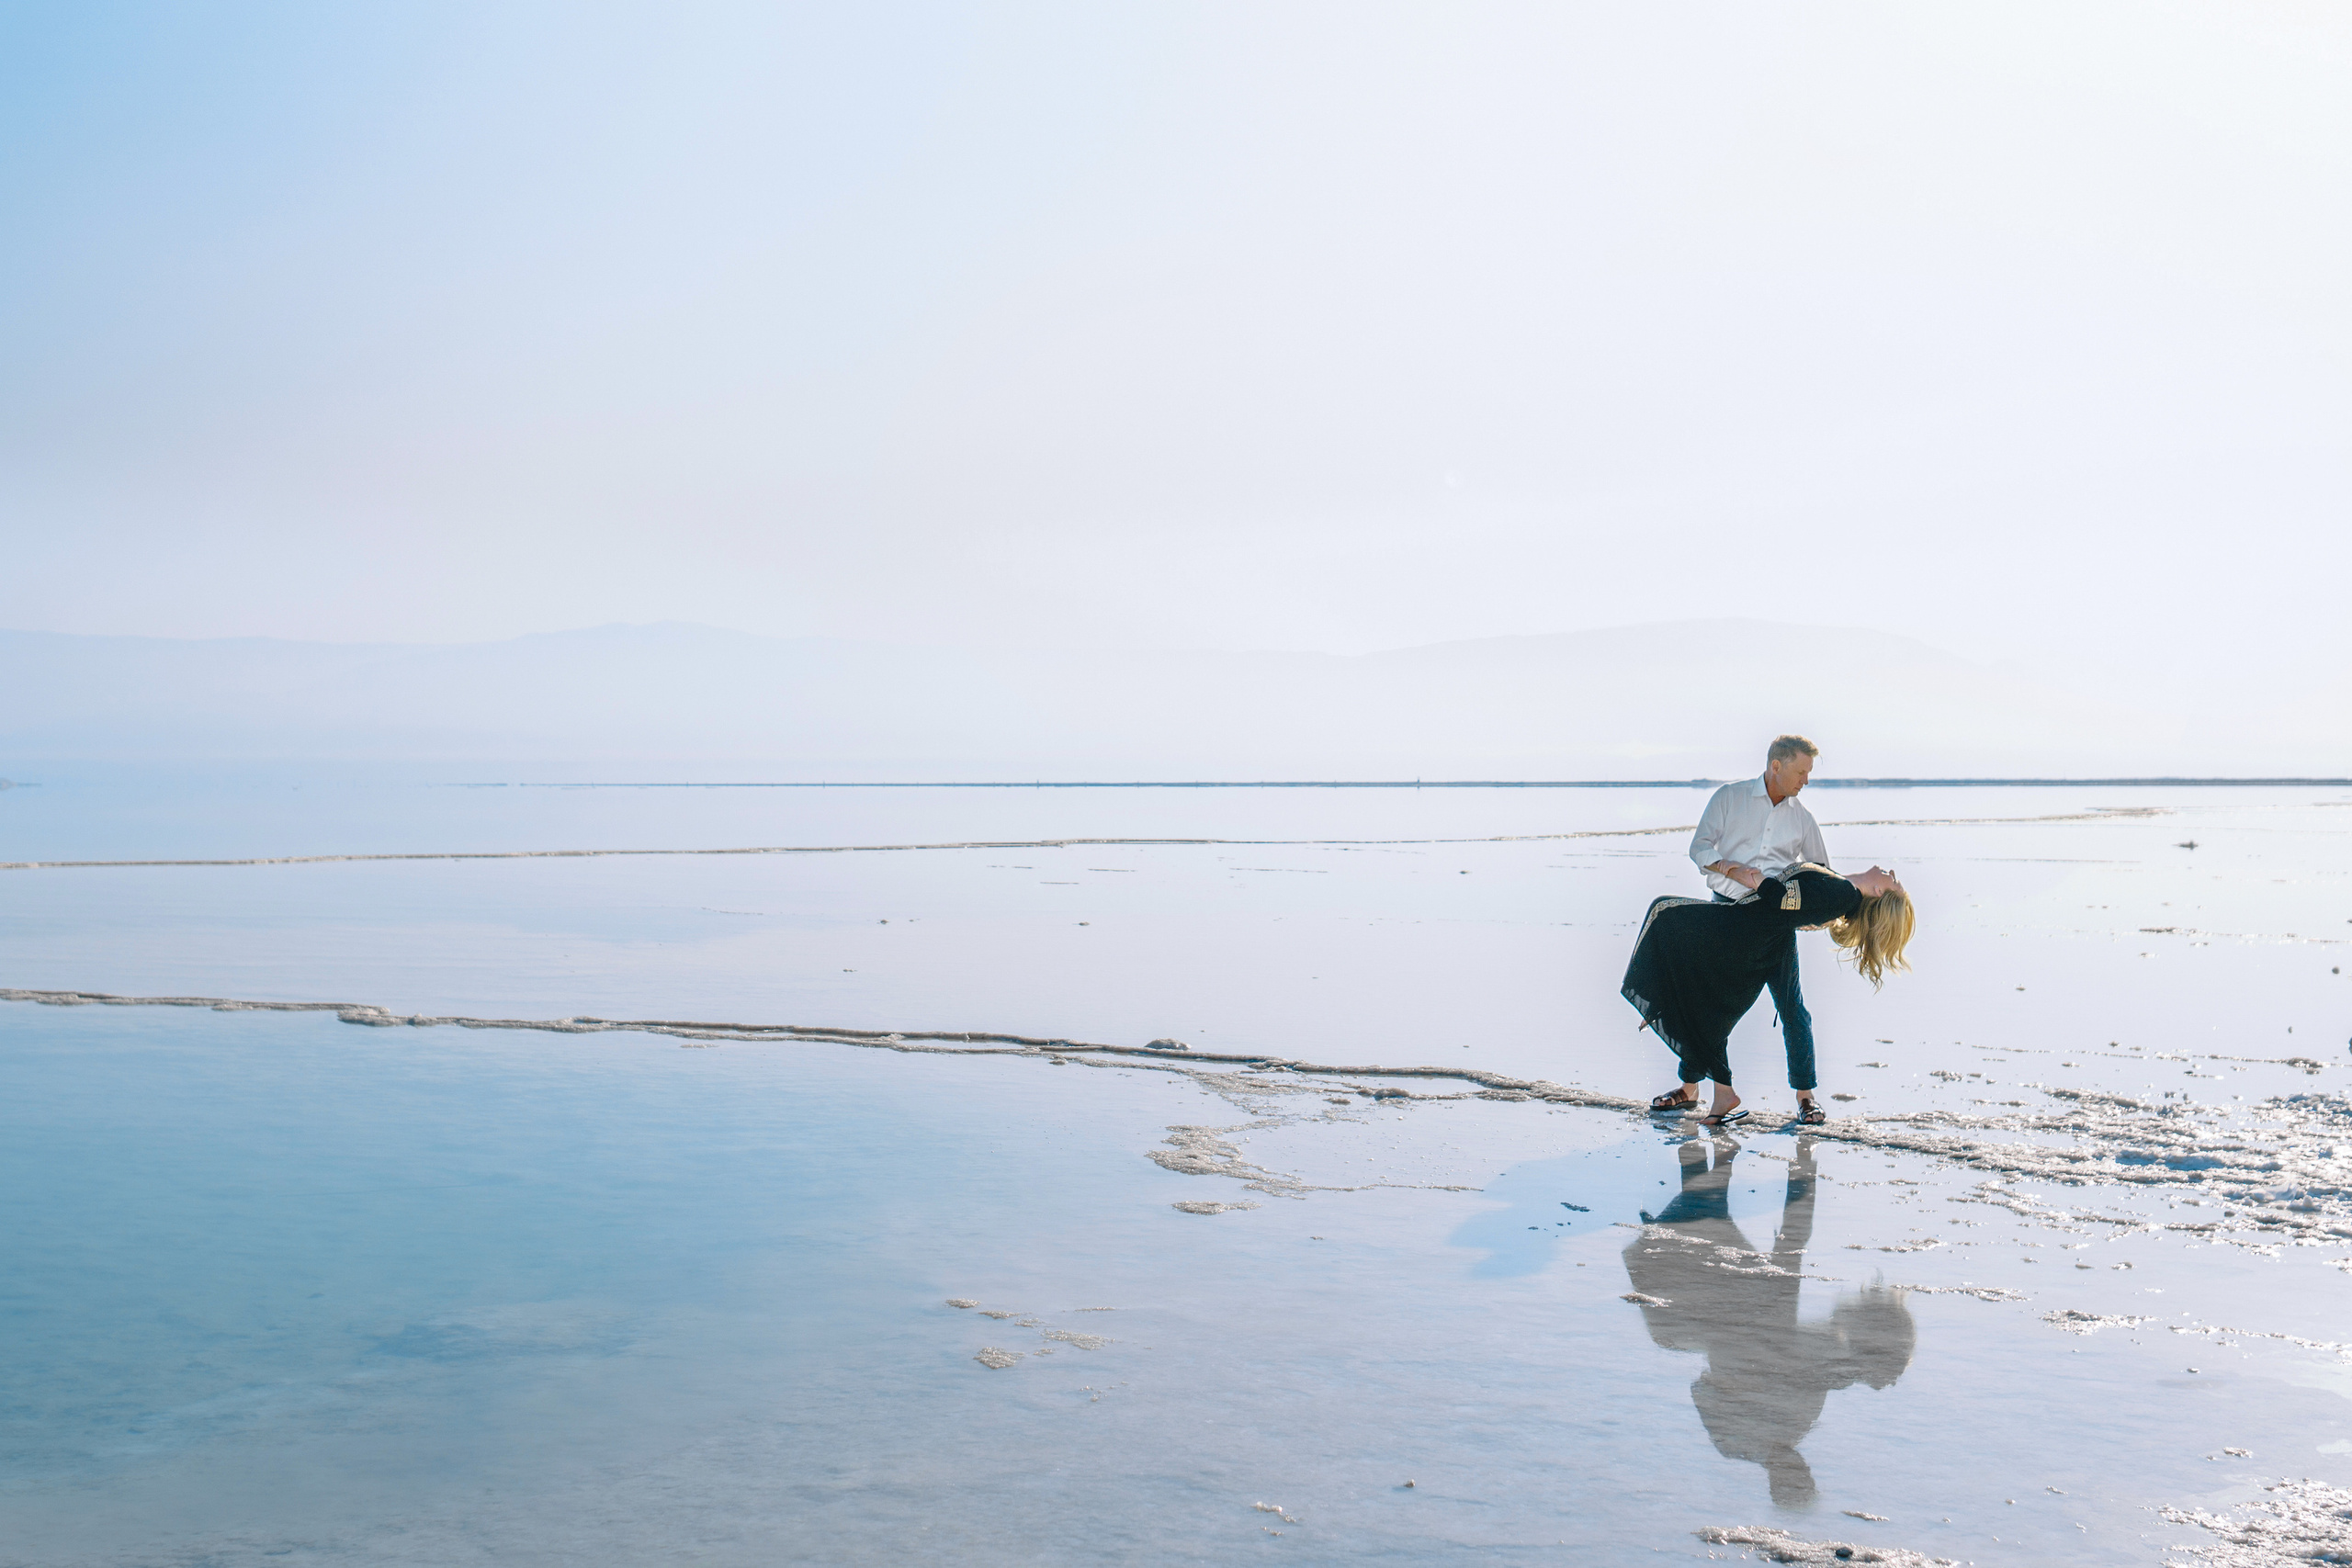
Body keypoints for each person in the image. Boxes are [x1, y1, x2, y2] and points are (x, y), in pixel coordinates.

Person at [1622, 1134, 1917, 1505]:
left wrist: (1755, 1367)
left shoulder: (1743, 1440)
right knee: (1738, 1235)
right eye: (1803, 1474)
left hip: (1731, 1320)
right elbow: (1800, 1370)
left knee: (1739, 1235)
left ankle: (1744, 1154)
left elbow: (1711, 1386)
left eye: (1795, 1477)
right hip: (1739, 1320)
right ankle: (1752, 1156)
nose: (1798, 1468)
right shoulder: (1768, 1433)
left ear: (1782, 1480)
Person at [1623, 863, 1913, 1125]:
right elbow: (1804, 901)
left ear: (1879, 891)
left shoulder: (1844, 894)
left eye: (1895, 881)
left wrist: (1745, 875)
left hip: (1751, 931)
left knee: (1665, 912)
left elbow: (1781, 898)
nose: (1891, 872)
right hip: (1767, 932)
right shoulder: (1843, 888)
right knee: (1714, 1002)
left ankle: (1786, 1094)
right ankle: (1708, 1086)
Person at [1680, 735, 1832, 1121]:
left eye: (1809, 773)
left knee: (1792, 1008)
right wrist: (1733, 870)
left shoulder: (1802, 818)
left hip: (1775, 924)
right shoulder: (1729, 798)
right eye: (1801, 772)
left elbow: (1821, 873)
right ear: (1776, 766)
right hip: (1725, 914)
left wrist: (1816, 912)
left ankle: (1806, 1097)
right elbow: (1700, 847)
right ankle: (1689, 1088)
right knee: (1709, 1007)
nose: (1806, 781)